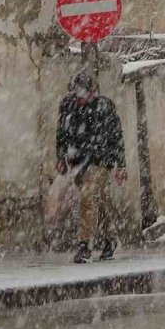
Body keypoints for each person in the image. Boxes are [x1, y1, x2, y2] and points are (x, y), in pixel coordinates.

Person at [55, 71, 127, 264]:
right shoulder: (67, 106)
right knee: (95, 201)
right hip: (77, 162)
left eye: (83, 92)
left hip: (100, 161)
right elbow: (61, 133)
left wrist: (120, 165)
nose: (79, 96)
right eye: (75, 92)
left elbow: (116, 136)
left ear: (92, 91)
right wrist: (60, 157)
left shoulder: (104, 107)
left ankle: (85, 245)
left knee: (88, 197)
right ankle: (111, 239)